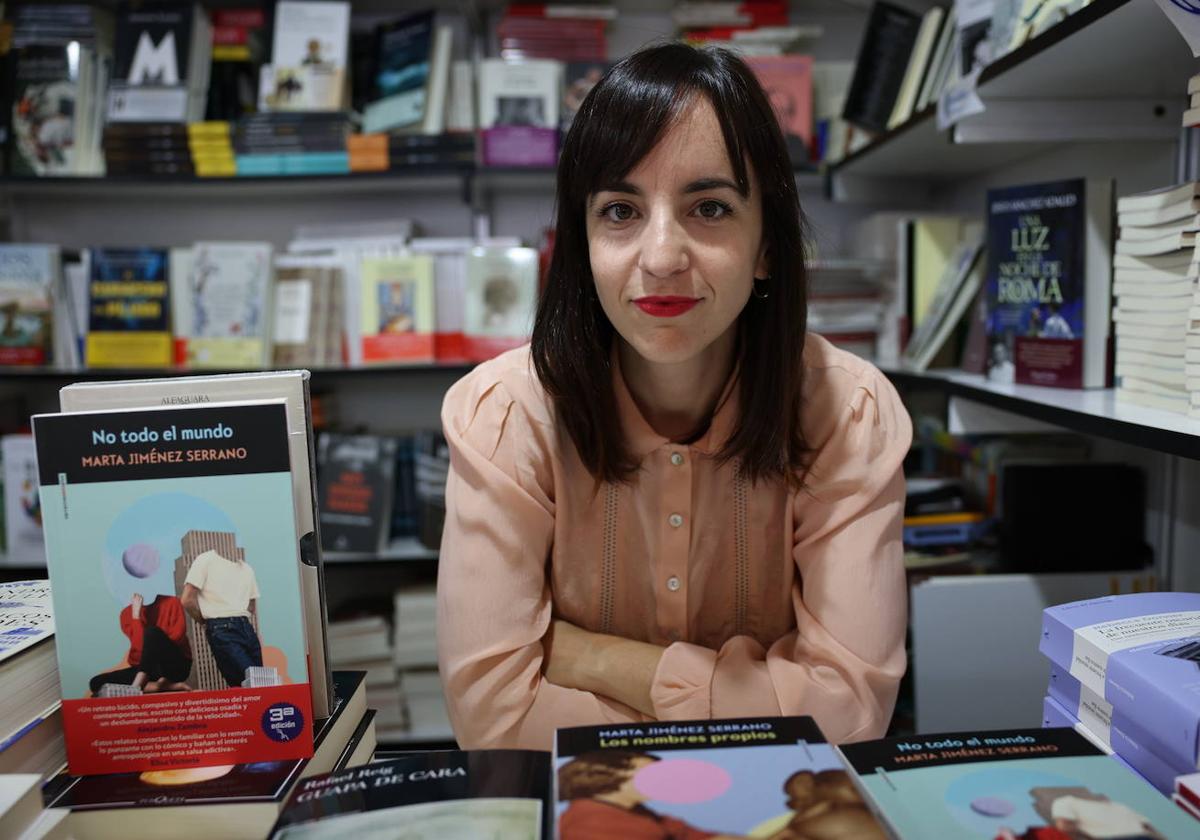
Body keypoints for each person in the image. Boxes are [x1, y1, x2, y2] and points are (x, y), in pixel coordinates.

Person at [437, 43, 911, 750]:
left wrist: (596, 659)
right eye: (621, 210)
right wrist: (759, 704)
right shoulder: (507, 416)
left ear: (767, 248)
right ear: (581, 243)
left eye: (710, 207)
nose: (661, 257)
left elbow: (852, 712)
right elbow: (493, 721)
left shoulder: (847, 413)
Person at [182, 547, 264, 687]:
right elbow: (187, 600)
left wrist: (205, 621)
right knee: (256, 683)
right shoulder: (207, 559)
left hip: (231, 627)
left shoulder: (246, 568)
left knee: (257, 683)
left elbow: (187, 600)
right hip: (232, 627)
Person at [89, 592, 192, 695]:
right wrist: (136, 616)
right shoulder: (126, 614)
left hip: (175, 665)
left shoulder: (172, 602)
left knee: (152, 632)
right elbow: (139, 650)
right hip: (150, 669)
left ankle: (137, 686)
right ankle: (160, 686)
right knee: (96, 683)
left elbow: (178, 637)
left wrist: (155, 643)